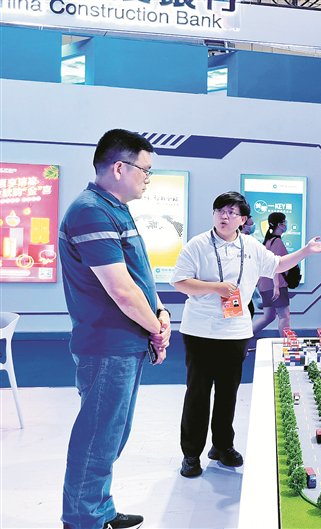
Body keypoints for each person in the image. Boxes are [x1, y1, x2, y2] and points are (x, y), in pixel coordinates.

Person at [171, 192, 321, 478]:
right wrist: (216, 288)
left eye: (232, 212)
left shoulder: (252, 247)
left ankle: (222, 446)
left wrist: (306, 251)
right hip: (200, 332)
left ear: (243, 219)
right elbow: (180, 282)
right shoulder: (197, 245)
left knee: (228, 393)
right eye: (220, 210)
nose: (224, 216)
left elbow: (277, 265)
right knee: (198, 393)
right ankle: (191, 455)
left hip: (236, 331)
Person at [59, 129, 171, 529]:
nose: (148, 178)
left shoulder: (114, 209)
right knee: (97, 437)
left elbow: (140, 277)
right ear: (120, 167)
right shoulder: (90, 211)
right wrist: (156, 330)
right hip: (107, 343)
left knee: (111, 434)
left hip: (125, 343)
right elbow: (121, 290)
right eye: (145, 169)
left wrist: (160, 312)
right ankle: (82, 519)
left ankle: (98, 508)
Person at [252, 212, 291, 337]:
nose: (286, 224)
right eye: (284, 222)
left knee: (268, 316)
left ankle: (244, 337)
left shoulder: (268, 241)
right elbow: (275, 265)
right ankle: (286, 344)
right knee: (284, 316)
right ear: (280, 224)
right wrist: (277, 286)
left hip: (264, 285)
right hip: (274, 285)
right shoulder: (277, 242)